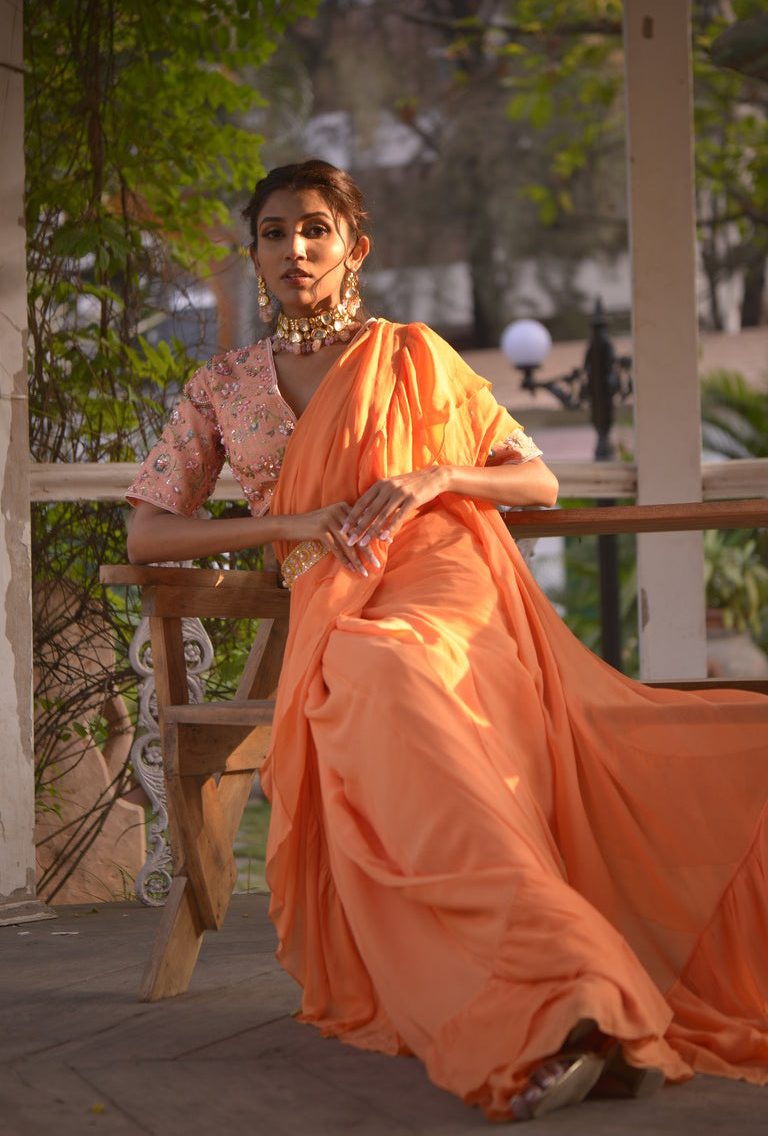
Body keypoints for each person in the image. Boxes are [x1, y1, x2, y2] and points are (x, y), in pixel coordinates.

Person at [126, 159, 768, 1122]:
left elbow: (536, 481)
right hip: (333, 601)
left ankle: (563, 1000)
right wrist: (286, 527)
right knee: (372, 679)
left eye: (314, 229)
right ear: (254, 254)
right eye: (273, 232)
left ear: (354, 248)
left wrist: (434, 477)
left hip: (444, 577)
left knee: (394, 669)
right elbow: (149, 530)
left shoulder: (415, 354)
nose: (294, 248)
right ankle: (570, 994)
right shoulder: (221, 385)